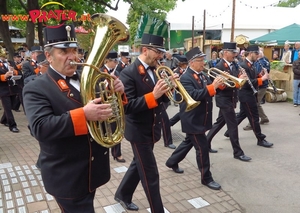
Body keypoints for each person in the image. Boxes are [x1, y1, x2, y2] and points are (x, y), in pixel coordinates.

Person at [23, 23, 125, 212]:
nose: (73, 57)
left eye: (74, 50)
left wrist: (115, 93)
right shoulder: (36, 87)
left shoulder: (89, 78)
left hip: (91, 170)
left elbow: (107, 111)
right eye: (64, 52)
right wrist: (84, 115)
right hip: (66, 176)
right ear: (48, 56)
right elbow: (40, 127)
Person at [115, 33, 175, 212]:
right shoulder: (128, 73)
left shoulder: (156, 69)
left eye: (162, 52)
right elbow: (127, 107)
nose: (161, 56)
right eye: (158, 52)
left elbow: (162, 101)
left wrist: (168, 89)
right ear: (145, 50)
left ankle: (122, 194)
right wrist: (154, 95)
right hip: (138, 131)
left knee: (137, 164)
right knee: (150, 174)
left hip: (151, 128)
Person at [165, 46, 223, 190]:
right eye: (200, 60)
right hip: (192, 119)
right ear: (191, 62)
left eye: (203, 59)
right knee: (202, 149)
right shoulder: (185, 77)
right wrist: (212, 87)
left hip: (200, 117)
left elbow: (208, 90)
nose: (203, 62)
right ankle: (206, 178)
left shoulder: (202, 75)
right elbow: (194, 95)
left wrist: (219, 86)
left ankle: (172, 162)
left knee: (188, 142)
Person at [206, 42, 251, 161]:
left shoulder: (234, 65)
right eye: (233, 53)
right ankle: (238, 152)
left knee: (219, 123)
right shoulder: (219, 67)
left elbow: (235, 82)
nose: (235, 55)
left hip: (231, 99)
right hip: (223, 100)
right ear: (225, 53)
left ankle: (206, 143)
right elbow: (221, 86)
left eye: (235, 53)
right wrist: (238, 82)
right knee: (233, 126)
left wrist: (241, 79)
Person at [225, 45, 273, 148]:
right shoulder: (244, 65)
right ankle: (260, 139)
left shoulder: (252, 64)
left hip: (249, 94)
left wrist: (260, 74)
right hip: (246, 95)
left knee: (242, 114)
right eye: (256, 53)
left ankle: (229, 132)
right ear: (251, 53)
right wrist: (262, 79)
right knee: (254, 117)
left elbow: (253, 77)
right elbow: (246, 83)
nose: (258, 56)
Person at [100, 51, 126, 162]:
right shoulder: (100, 72)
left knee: (117, 128)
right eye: (114, 61)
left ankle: (117, 153)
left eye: (116, 61)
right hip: (103, 103)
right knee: (103, 129)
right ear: (107, 61)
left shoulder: (118, 71)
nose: (116, 63)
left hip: (115, 102)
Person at [243, 50, 270, 130]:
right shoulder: (254, 62)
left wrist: (263, 76)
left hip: (261, 86)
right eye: (256, 54)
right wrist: (259, 76)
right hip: (257, 85)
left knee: (254, 105)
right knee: (255, 104)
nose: (257, 56)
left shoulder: (264, 62)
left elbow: (264, 72)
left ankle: (252, 124)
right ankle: (263, 118)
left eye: (258, 54)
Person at [0, 49, 20, 133]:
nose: (5, 56)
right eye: (3, 55)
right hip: (3, 89)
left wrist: (13, 71)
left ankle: (3, 120)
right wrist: (5, 76)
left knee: (11, 106)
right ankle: (12, 125)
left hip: (12, 88)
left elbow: (17, 71)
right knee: (8, 108)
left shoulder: (10, 62)